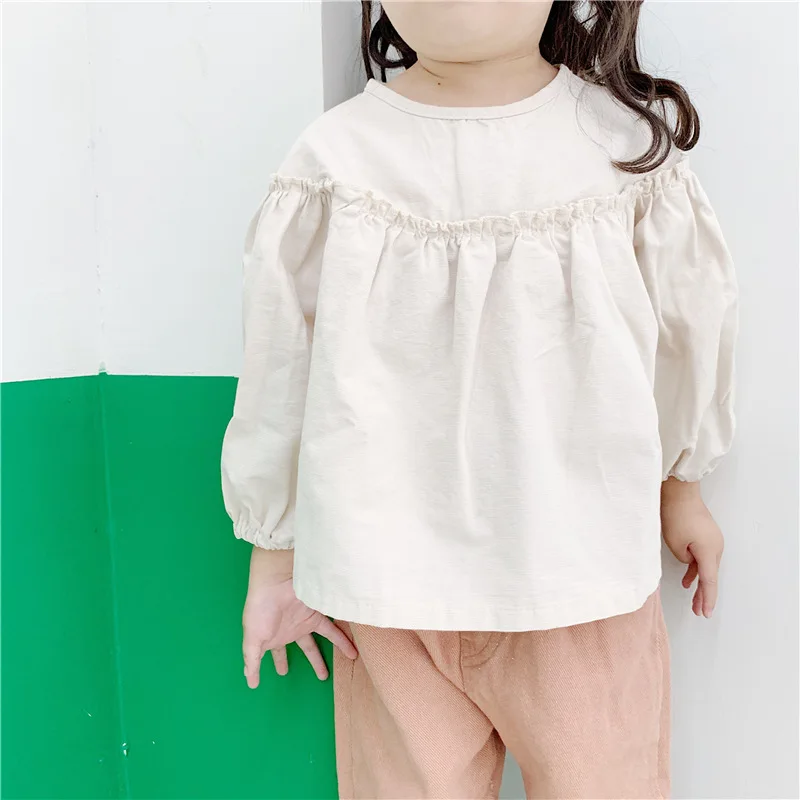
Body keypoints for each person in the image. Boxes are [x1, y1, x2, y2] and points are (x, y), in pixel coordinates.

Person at [221, 2, 737, 797]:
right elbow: (280, 367)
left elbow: (686, 328)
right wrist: (274, 556)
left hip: (580, 580)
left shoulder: (618, 150)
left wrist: (683, 488)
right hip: (390, 602)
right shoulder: (335, 161)